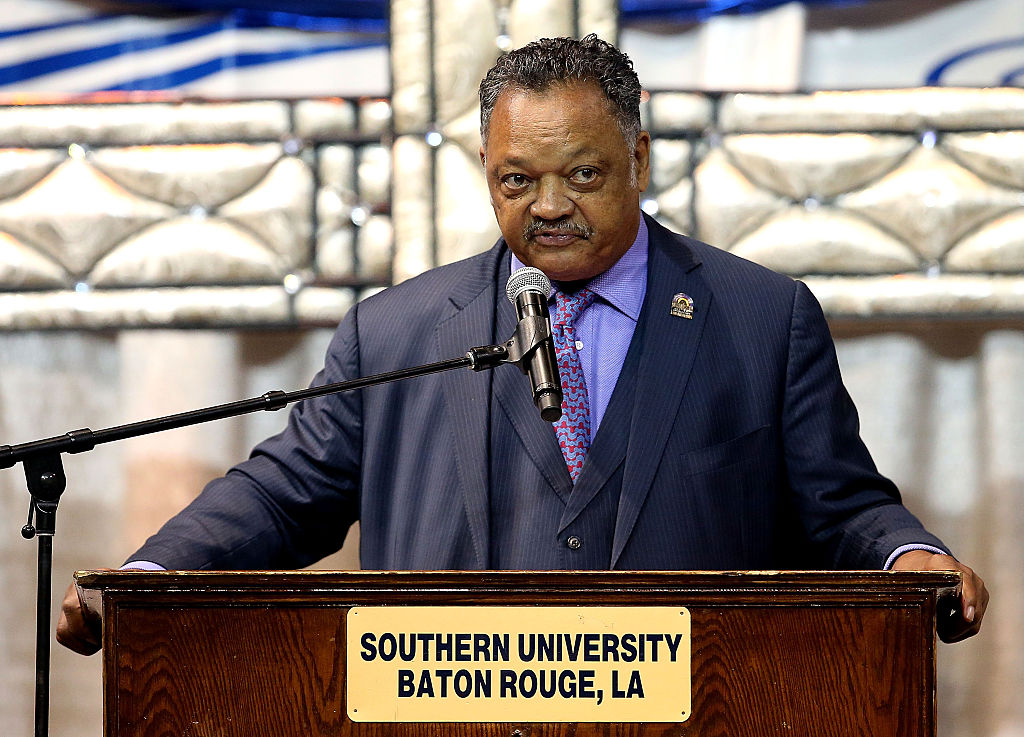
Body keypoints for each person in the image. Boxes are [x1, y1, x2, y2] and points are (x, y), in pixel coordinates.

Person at [57, 35, 987, 655]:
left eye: (582, 174)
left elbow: (840, 504)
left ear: (639, 160)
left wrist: (909, 556)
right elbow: (284, 492)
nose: (547, 206)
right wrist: (146, 577)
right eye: (516, 180)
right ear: (485, 170)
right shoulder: (398, 330)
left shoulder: (760, 318)